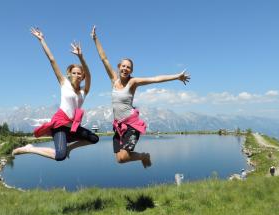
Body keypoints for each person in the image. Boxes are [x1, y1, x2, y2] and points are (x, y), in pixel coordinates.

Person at [91, 26, 190, 168]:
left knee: (124, 157)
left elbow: (155, 79)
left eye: (128, 67)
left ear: (131, 70)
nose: (125, 69)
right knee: (120, 159)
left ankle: (144, 155)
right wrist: (95, 39)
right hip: (118, 126)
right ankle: (143, 156)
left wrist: (177, 77)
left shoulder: (133, 82)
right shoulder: (114, 80)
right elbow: (104, 59)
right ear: (119, 67)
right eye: (123, 66)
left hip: (131, 125)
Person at [12, 27, 99, 161]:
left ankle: (69, 148)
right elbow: (52, 60)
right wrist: (42, 40)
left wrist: (81, 57)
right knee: (60, 156)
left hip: (72, 127)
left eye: (79, 73)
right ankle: (30, 148)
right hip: (60, 125)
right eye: (73, 72)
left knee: (94, 138)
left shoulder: (84, 91)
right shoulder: (64, 84)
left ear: (83, 76)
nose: (76, 75)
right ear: (69, 75)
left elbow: (89, 73)